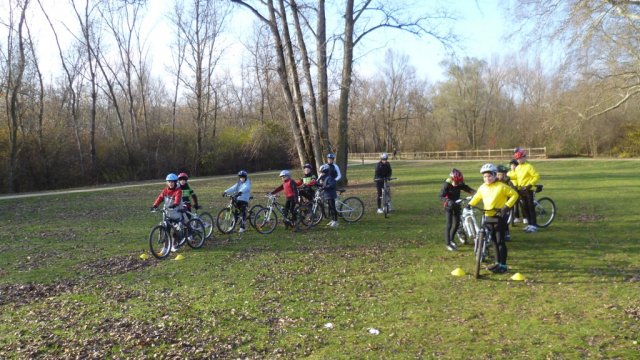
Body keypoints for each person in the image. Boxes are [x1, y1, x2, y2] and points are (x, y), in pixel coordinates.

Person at [468, 164, 519, 274]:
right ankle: (497, 263)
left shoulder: (501, 186)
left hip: (499, 217)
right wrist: (470, 204)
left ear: (495, 175)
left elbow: (515, 195)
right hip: (488, 217)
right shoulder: (482, 187)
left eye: (489, 176)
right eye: (485, 177)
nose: (487, 179)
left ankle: (503, 265)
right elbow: (477, 197)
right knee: (494, 241)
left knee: (500, 241)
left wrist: (506, 207)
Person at [439, 168, 475, 251]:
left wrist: (477, 193)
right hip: (449, 206)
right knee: (449, 224)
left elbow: (468, 189)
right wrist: (448, 201)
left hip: (457, 204)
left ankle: (451, 240)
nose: (457, 184)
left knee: (457, 224)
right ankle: (448, 243)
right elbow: (441, 196)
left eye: (458, 182)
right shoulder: (446, 185)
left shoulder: (459, 184)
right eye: (455, 182)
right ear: (451, 179)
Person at [151, 173, 183, 252]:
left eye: (172, 182)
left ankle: (174, 244)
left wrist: (175, 204)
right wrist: (155, 205)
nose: (170, 183)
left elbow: (177, 200)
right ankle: (165, 248)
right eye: (169, 182)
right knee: (166, 230)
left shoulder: (178, 190)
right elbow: (160, 198)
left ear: (175, 182)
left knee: (177, 230)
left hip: (176, 212)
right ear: (167, 182)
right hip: (167, 212)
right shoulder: (165, 190)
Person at [512, 148, 541, 233]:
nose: (519, 160)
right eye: (517, 159)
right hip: (521, 189)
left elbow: (536, 176)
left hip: (528, 189)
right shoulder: (517, 168)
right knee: (524, 208)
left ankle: (534, 225)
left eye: (520, 158)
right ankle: (529, 224)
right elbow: (516, 177)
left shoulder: (529, 167)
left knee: (530, 207)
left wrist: (530, 184)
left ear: (524, 157)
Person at [507, 159, 524, 224]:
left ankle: (524, 217)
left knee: (521, 203)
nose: (513, 167)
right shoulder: (508, 173)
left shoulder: (519, 172)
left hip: (519, 188)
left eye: (514, 165)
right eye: (511, 165)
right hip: (511, 189)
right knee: (514, 204)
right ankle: (516, 217)